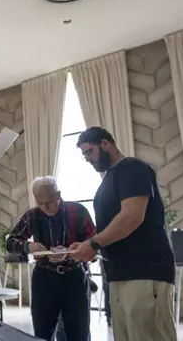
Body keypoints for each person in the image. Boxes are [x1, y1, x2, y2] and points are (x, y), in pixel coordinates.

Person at [70, 126, 176, 341]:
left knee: (147, 336)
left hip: (146, 270)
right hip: (120, 274)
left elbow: (131, 217)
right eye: (84, 156)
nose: (88, 159)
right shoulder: (108, 179)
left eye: (89, 152)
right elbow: (111, 226)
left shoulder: (133, 169)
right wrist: (86, 245)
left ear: (105, 143)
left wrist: (93, 243)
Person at [6, 176, 95, 341]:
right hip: (44, 278)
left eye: (49, 202)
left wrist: (78, 248)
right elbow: (10, 242)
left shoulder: (77, 211)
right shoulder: (33, 215)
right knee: (42, 332)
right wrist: (29, 246)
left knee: (79, 332)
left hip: (74, 276)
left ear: (58, 195)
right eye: (40, 203)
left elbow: (95, 241)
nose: (45, 207)